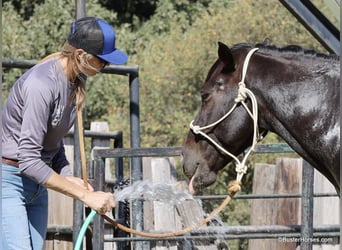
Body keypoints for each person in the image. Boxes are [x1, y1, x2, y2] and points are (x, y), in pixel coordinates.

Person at [1, 16, 128, 250]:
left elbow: (52, 142)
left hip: (36, 188)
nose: (105, 66)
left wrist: (68, 175)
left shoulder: (74, 80)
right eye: (102, 61)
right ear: (81, 55)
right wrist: (84, 196)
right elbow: (28, 160)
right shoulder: (41, 84)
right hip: (9, 182)